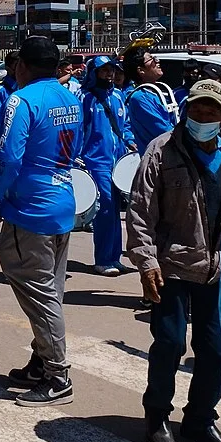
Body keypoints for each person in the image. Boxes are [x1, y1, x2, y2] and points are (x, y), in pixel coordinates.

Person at [127, 79, 221, 442]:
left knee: (214, 350)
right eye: (197, 108)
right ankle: (157, 416)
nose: (203, 115)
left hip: (219, 269)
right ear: (185, 110)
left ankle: (200, 419)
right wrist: (146, 262)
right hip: (172, 266)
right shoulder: (162, 150)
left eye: (211, 109)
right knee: (170, 343)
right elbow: (140, 210)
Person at [0, 37, 82, 406]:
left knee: (40, 296)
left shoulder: (20, 100)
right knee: (50, 289)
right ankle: (41, 362)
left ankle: (58, 376)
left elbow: (9, 156)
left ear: (20, 66)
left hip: (31, 209)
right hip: (62, 201)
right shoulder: (71, 97)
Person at [76, 54, 136, 276]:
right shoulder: (85, 98)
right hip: (95, 161)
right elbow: (78, 130)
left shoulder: (119, 97)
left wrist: (130, 141)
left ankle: (115, 257)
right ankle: (102, 259)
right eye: (104, 71)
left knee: (115, 210)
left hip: (118, 161)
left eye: (111, 70)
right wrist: (77, 157)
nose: (109, 74)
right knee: (105, 208)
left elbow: (126, 124)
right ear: (93, 73)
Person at [122, 46, 178, 153]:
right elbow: (164, 132)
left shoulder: (158, 91)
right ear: (141, 70)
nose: (157, 61)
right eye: (151, 59)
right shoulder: (140, 98)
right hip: (160, 161)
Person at [0, 50, 20, 141]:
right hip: (7, 140)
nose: (20, 69)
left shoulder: (24, 88)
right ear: (8, 68)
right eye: (16, 65)